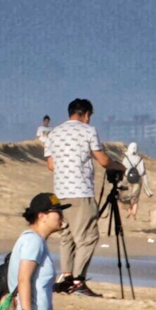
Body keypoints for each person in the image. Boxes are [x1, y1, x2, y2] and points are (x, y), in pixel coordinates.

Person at [41, 97, 105, 294]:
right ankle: (78, 282)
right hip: (81, 191)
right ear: (86, 114)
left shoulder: (54, 132)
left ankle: (66, 277)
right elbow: (102, 160)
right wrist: (118, 167)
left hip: (60, 193)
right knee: (88, 237)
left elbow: (51, 165)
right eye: (89, 116)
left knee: (67, 236)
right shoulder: (88, 131)